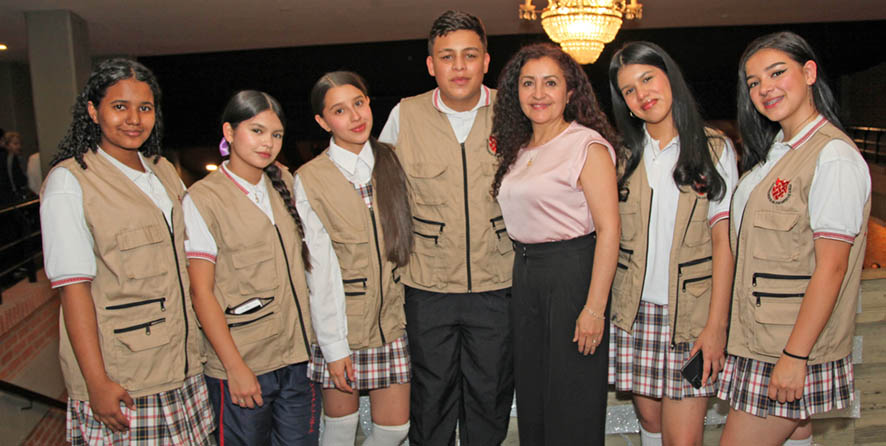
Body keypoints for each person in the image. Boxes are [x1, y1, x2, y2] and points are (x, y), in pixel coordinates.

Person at [39, 58, 214, 445]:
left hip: (181, 368)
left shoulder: (162, 170)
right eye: (120, 107)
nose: (134, 119)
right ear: (92, 111)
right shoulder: (70, 182)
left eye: (145, 108)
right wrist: (96, 382)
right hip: (126, 379)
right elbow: (73, 290)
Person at [718, 31, 871, 446]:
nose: (764, 88)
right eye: (753, 82)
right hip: (762, 337)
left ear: (808, 73)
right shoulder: (777, 152)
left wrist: (795, 356)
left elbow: (833, 266)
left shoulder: (832, 156)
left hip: (786, 346)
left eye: (776, 72)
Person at [378, 10, 514, 445]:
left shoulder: (514, 113)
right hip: (427, 287)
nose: (459, 67)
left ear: (486, 61)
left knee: (489, 397)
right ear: (431, 65)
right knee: (430, 399)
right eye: (447, 57)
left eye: (469, 55)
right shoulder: (405, 115)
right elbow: (382, 194)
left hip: (499, 283)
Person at [605, 41, 739, 446]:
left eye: (648, 79)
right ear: (625, 103)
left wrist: (716, 327)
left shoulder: (714, 148)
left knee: (682, 439)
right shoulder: (621, 155)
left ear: (669, 78)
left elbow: (724, 242)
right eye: (629, 90)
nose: (642, 94)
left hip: (692, 317)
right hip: (633, 314)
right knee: (651, 424)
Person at [490, 42, 620, 445]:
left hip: (572, 275)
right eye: (528, 83)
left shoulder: (587, 146)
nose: (538, 93)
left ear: (569, 92)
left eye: (550, 83)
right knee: (533, 396)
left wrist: (594, 309)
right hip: (526, 275)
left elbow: (610, 231)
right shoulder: (519, 149)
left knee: (571, 398)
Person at [183, 90, 318, 445]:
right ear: (229, 132)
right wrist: (235, 368)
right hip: (245, 363)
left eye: (276, 135)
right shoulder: (204, 199)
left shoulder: (285, 184)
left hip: (297, 360)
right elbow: (202, 293)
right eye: (256, 131)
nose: (267, 143)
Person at [296, 71, 412, 446]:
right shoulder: (310, 178)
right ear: (322, 121)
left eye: (359, 104)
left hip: (393, 324)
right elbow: (319, 270)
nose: (355, 116)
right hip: (341, 326)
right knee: (341, 429)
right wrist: (334, 347)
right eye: (340, 110)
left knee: (396, 429)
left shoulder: (393, 160)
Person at [1, 130, 29, 203]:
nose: (19, 147)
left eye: (20, 144)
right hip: (11, 197)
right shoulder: (12, 159)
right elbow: (20, 179)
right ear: (7, 145)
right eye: (15, 144)